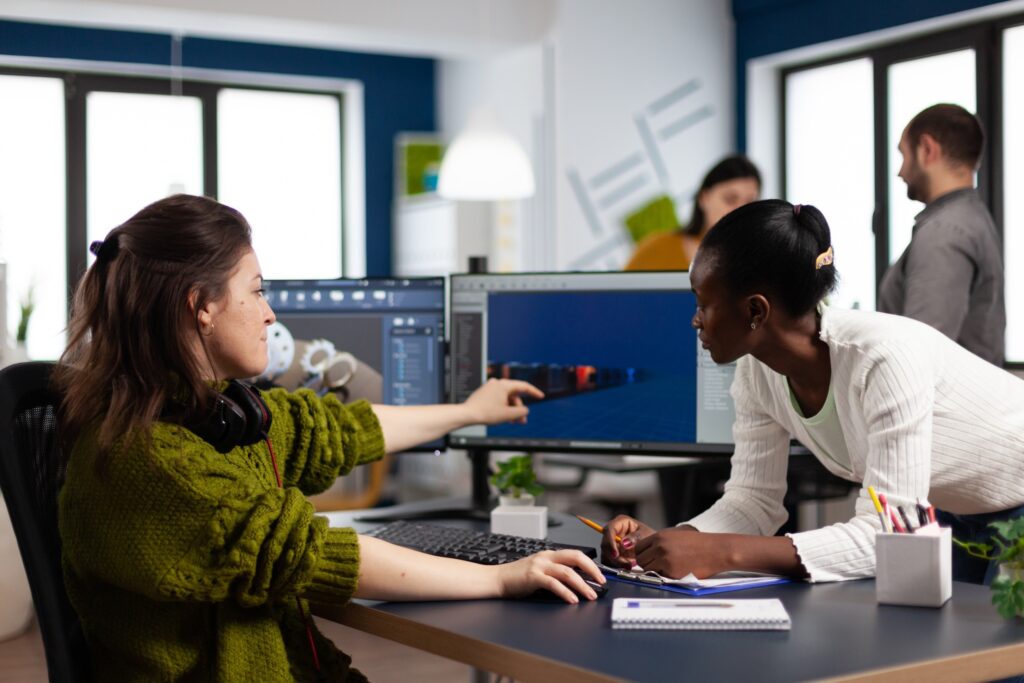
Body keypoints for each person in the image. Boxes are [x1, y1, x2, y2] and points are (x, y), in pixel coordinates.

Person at [54, 194, 605, 682]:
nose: (270, 313)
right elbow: (310, 554)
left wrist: (466, 411)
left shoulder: (212, 416)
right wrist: (501, 580)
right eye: (257, 290)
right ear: (201, 307)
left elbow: (340, 431)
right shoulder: (147, 462)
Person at [602, 199, 1024, 586]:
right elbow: (753, 502)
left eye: (703, 303)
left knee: (992, 663)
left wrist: (721, 551)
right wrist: (668, 541)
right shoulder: (756, 374)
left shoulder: (883, 358)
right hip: (951, 510)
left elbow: (889, 532)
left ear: (755, 310)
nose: (696, 321)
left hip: (1014, 502)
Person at [877, 103, 1005, 366]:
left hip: (940, 407)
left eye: (903, 155)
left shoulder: (944, 233)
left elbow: (919, 358)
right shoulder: (972, 218)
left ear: (927, 149)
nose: (899, 172)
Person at [625, 154, 761, 271]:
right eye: (730, 199)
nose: (741, 210)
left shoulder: (763, 261)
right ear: (704, 198)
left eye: (750, 203)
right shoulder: (655, 249)